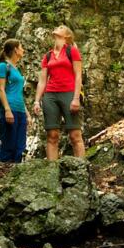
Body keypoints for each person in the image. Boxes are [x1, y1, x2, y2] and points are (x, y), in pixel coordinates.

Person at [33, 25, 85, 159]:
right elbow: (42, 81)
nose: (58, 27)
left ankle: (81, 167)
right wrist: (37, 101)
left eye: (61, 27)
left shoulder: (72, 51)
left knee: (75, 135)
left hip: (69, 93)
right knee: (52, 135)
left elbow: (78, 76)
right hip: (50, 96)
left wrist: (76, 98)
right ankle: (52, 169)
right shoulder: (48, 56)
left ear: (67, 36)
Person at [0, 39, 31, 163]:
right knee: (8, 145)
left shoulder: (16, 69)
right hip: (10, 109)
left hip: (20, 111)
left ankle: (15, 172)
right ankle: (3, 171)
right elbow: (1, 89)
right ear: (16, 50)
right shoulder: (3, 66)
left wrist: (27, 114)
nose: (23, 50)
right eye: (21, 47)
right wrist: (7, 110)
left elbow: (19, 93)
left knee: (20, 146)